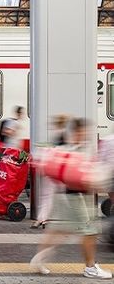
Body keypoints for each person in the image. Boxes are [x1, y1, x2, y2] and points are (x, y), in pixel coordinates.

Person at [30, 118, 112, 279]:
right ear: (77, 131)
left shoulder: (69, 147)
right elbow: (81, 178)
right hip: (75, 197)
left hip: (65, 197)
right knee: (90, 232)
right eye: (83, 131)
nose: (85, 134)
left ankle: (38, 258)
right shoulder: (75, 150)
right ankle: (90, 268)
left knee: (59, 230)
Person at [31, 114, 69, 229]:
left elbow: (62, 151)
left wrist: (49, 149)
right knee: (51, 196)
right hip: (55, 171)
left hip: (56, 171)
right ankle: (41, 219)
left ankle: (41, 219)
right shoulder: (61, 134)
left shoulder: (61, 134)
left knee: (50, 196)